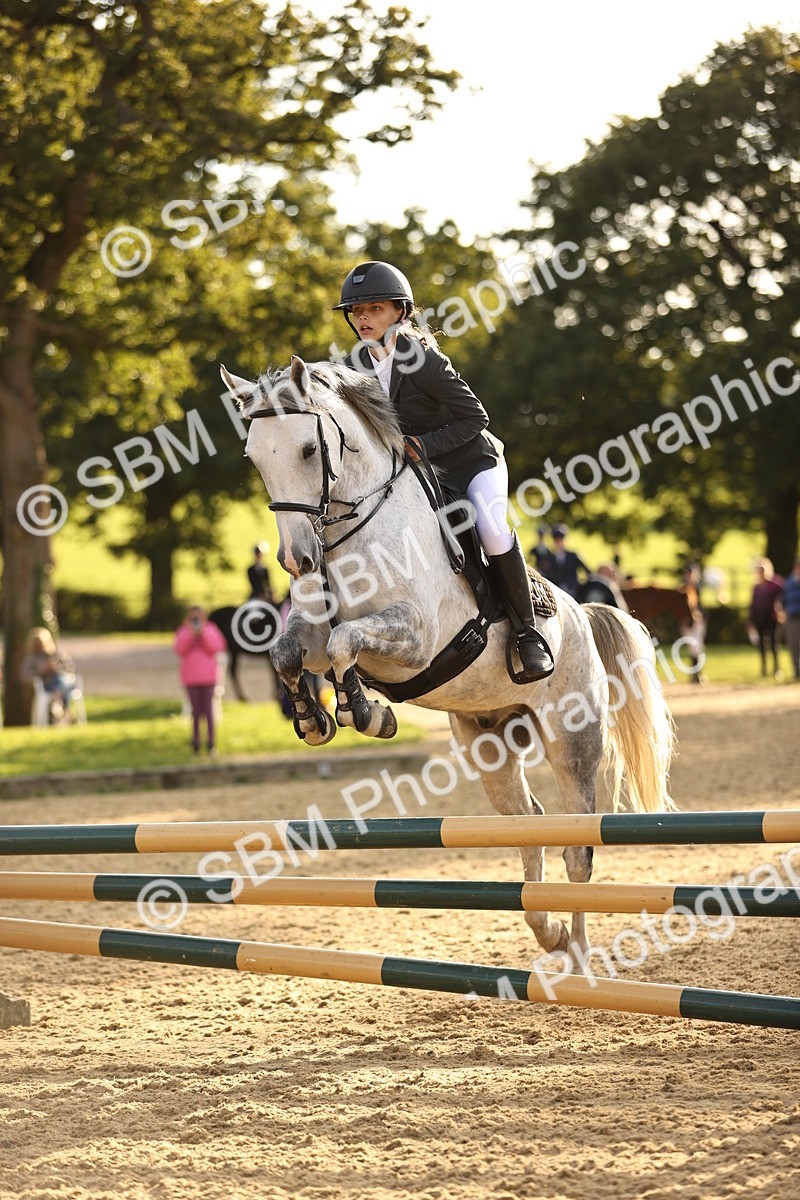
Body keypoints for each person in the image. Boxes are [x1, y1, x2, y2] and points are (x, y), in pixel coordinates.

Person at [335, 260, 553, 682]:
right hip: (419, 474)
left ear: (400, 311)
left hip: (471, 463)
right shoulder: (356, 367)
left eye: (374, 309)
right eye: (357, 311)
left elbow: (477, 418)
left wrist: (424, 445)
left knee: (490, 528)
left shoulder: (423, 360)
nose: (363, 318)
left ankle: (528, 635)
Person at [174, 606, 227, 754]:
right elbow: (179, 649)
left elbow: (217, 647)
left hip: (208, 676)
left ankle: (211, 741)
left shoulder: (210, 630)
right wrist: (191, 634)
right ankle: (195, 740)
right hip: (191, 677)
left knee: (209, 710)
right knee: (195, 711)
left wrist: (203, 634)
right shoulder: (184, 631)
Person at [20, 627, 77, 722]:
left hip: (65, 680)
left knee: (61, 681)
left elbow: (70, 667)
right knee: (59, 685)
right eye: (36, 645)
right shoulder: (32, 658)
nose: (39, 647)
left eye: (41, 644)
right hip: (48, 684)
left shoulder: (56, 653)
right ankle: (65, 711)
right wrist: (41, 671)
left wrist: (57, 668)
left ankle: (58, 708)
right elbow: (24, 675)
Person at [747, 558, 784, 679]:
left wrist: (780, 610)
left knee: (774, 644)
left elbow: (782, 599)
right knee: (761, 645)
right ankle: (764, 670)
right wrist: (750, 621)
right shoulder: (756, 588)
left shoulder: (775, 585)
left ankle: (776, 669)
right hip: (759, 618)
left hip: (772, 618)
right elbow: (752, 605)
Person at [547, 524, 590, 599]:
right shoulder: (550, 558)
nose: (559, 543)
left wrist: (581, 586)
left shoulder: (573, 556)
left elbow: (587, 571)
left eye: (561, 540)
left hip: (573, 591)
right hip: (557, 591)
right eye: (557, 540)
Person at [782, 558, 800, 681]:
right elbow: (784, 599)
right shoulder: (789, 582)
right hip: (792, 617)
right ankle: (796, 671)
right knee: (793, 644)